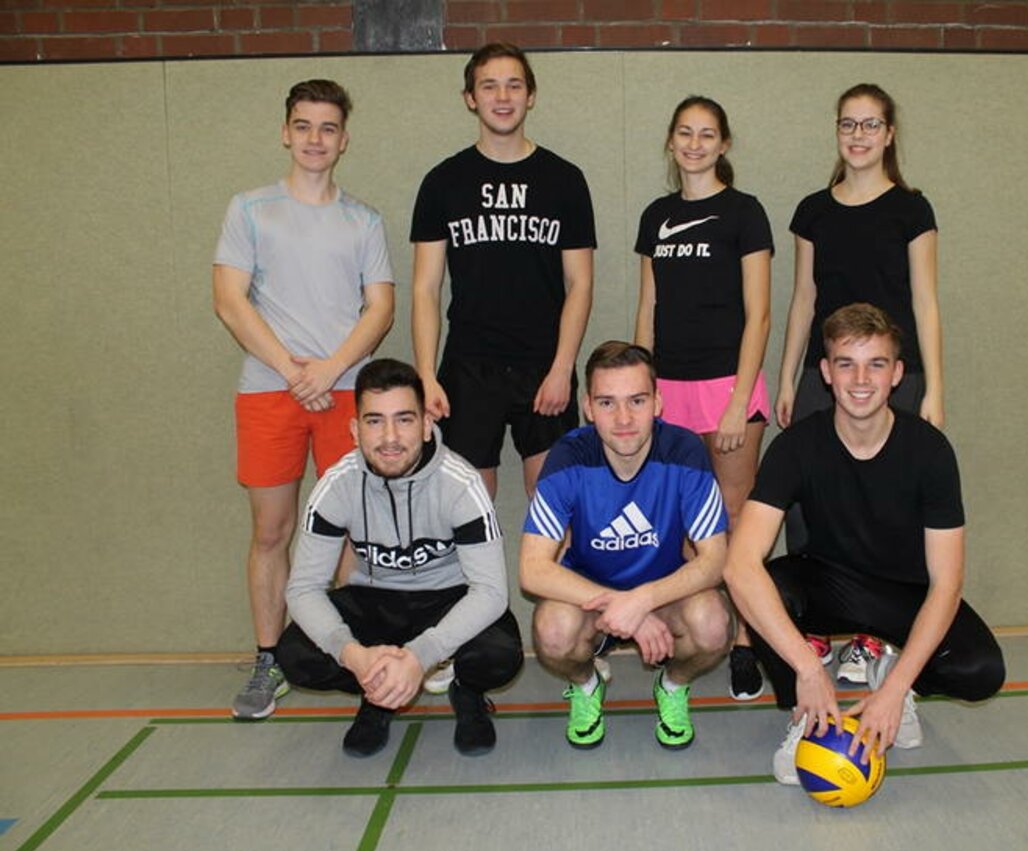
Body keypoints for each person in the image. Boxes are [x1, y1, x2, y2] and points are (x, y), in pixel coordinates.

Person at [722, 303, 1004, 785]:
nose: (860, 379)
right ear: (827, 372)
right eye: (846, 363)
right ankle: (806, 720)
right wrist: (809, 668)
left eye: (876, 364)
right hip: (829, 583)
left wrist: (896, 688)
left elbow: (946, 584)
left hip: (906, 594)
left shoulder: (930, 452)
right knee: (767, 589)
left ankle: (891, 677)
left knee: (981, 670)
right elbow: (739, 566)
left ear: (897, 374)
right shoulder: (795, 447)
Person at [213, 79, 395, 720]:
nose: (315, 139)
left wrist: (332, 368)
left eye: (327, 128)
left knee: (355, 533)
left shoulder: (364, 219)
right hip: (270, 393)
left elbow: (381, 307)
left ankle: (363, 658)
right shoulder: (250, 210)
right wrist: (292, 369)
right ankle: (269, 660)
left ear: (344, 140)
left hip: (346, 394)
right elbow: (229, 301)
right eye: (303, 125)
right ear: (285, 132)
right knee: (273, 531)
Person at [276, 358, 523, 758]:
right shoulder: (335, 486)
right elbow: (303, 589)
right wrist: (354, 656)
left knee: (500, 654)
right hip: (373, 603)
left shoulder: (461, 484)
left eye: (404, 420)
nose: (390, 436)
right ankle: (378, 695)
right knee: (296, 654)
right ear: (355, 430)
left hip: (448, 598)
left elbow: (492, 592)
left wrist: (420, 656)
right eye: (374, 421)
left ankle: (467, 692)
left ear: (426, 425)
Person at [776, 83, 943, 665]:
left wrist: (936, 390)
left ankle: (875, 632)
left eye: (871, 125)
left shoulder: (912, 209)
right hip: (825, 379)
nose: (858, 135)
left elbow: (925, 302)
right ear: (837, 131)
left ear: (889, 134)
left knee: (887, 507)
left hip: (897, 378)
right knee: (807, 503)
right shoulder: (813, 211)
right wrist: (787, 379)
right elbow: (803, 300)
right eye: (849, 124)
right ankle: (818, 624)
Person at [520, 342, 732, 750]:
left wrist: (644, 600)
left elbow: (715, 560)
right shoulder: (568, 457)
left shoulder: (685, 452)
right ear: (587, 406)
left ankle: (672, 684)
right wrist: (623, 605)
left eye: (636, 400)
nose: (623, 419)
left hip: (667, 593)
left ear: (658, 402)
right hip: (590, 599)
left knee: (713, 625)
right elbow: (532, 570)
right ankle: (585, 685)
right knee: (551, 632)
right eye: (607, 402)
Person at [410, 42, 596, 502]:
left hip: (543, 362)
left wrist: (562, 368)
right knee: (470, 508)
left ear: (530, 95)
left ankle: (550, 580)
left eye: (514, 85)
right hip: (469, 366)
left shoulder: (564, 179)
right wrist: (427, 376)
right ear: (470, 97)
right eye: (489, 86)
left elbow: (581, 284)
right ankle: (483, 581)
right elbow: (425, 289)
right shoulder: (443, 182)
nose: (502, 96)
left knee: (553, 506)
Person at [633, 95, 773, 703]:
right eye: (684, 133)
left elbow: (760, 312)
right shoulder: (656, 216)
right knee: (685, 528)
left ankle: (744, 643)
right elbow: (648, 306)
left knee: (737, 519)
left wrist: (740, 398)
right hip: (668, 390)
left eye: (707, 134)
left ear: (724, 145)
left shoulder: (745, 212)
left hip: (726, 387)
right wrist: (642, 389)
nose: (695, 143)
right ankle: (694, 634)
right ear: (671, 142)